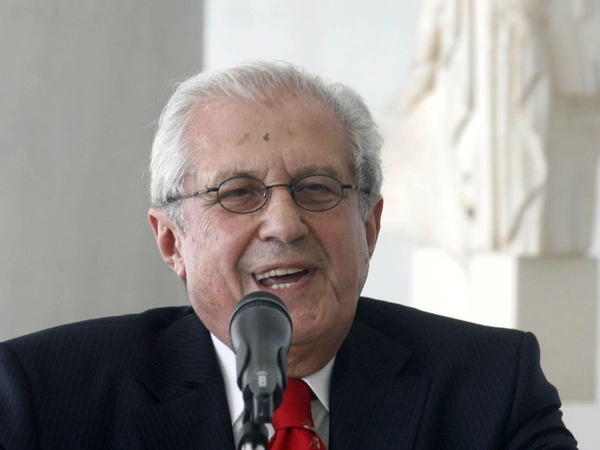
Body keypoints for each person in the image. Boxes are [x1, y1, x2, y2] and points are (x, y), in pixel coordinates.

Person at [0, 61, 577, 449]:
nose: (283, 223)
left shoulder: (490, 385)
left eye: (317, 189)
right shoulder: (43, 397)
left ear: (369, 226)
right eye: (238, 193)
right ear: (172, 241)